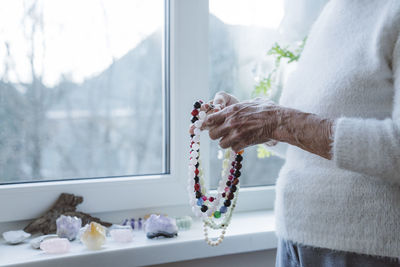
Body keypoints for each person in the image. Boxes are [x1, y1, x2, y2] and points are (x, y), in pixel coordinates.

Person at [193, 0, 400, 266]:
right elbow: (308, 132)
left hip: (362, 251)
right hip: (294, 241)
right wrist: (257, 120)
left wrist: (278, 121)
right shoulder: (336, 10)